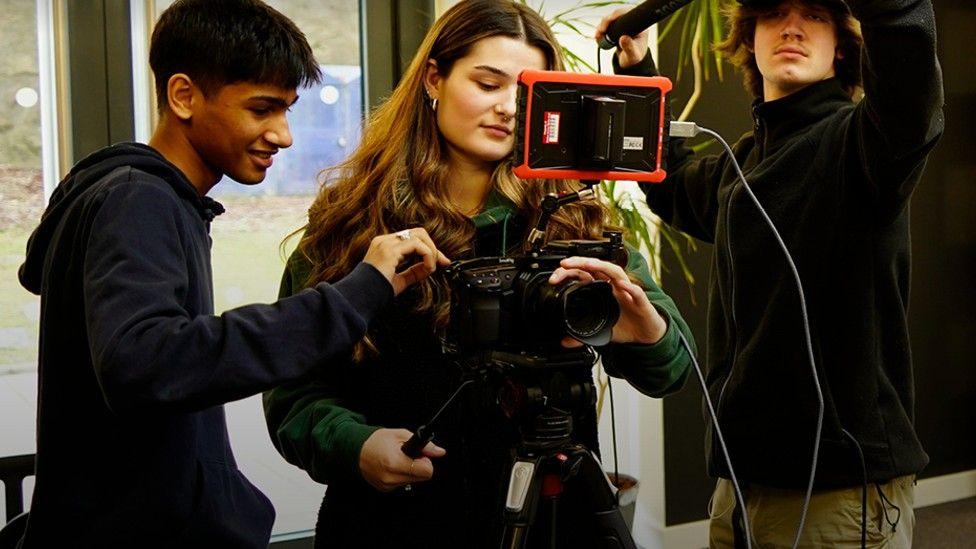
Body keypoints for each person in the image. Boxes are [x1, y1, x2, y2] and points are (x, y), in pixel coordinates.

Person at [262, 0, 696, 547]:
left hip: (553, 521)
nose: (508, 109)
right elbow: (294, 392)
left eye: (525, 93)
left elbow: (672, 371)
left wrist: (646, 332)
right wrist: (355, 444)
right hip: (397, 523)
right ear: (434, 79)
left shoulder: (574, 222)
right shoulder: (352, 224)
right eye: (487, 84)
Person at [15, 1, 448, 547]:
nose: (283, 135)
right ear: (183, 96)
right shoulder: (137, 200)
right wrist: (356, 293)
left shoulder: (156, 201)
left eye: (287, 110)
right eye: (262, 109)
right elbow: (145, 363)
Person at [597, 0, 943, 546]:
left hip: (837, 493)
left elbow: (909, 91)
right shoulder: (745, 161)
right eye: (775, 12)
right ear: (750, 41)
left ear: (843, 49)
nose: (792, 27)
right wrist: (637, 69)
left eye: (814, 14)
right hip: (738, 486)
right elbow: (670, 181)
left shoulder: (863, 145)